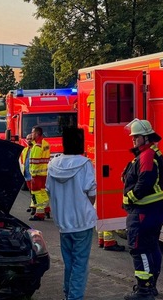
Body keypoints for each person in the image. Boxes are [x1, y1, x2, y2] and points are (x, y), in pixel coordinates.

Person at [122, 119, 163, 300]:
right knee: (151, 247)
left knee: (139, 249)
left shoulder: (147, 155)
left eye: (136, 137)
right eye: (133, 137)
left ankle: (144, 290)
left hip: (144, 211)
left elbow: (145, 181)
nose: (133, 140)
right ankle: (151, 286)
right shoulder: (150, 152)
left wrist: (130, 198)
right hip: (155, 209)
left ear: (146, 137)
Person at [46, 127, 97, 300]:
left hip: (63, 223)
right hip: (82, 222)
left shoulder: (53, 164)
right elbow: (91, 193)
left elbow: (48, 190)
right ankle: (74, 297)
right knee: (80, 264)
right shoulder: (84, 163)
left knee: (69, 263)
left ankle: (68, 294)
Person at [27, 125, 51, 221]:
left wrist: (32, 173)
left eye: (32, 132)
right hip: (44, 173)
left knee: (36, 193)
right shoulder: (45, 144)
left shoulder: (37, 146)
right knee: (43, 192)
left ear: (36, 134)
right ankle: (46, 209)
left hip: (36, 174)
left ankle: (39, 214)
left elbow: (35, 162)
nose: (31, 134)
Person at [20, 133, 36, 214]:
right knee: (30, 192)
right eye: (28, 139)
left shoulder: (35, 149)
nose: (29, 140)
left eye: (30, 139)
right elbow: (23, 162)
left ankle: (34, 207)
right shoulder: (25, 150)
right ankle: (32, 205)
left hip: (33, 175)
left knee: (34, 192)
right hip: (26, 174)